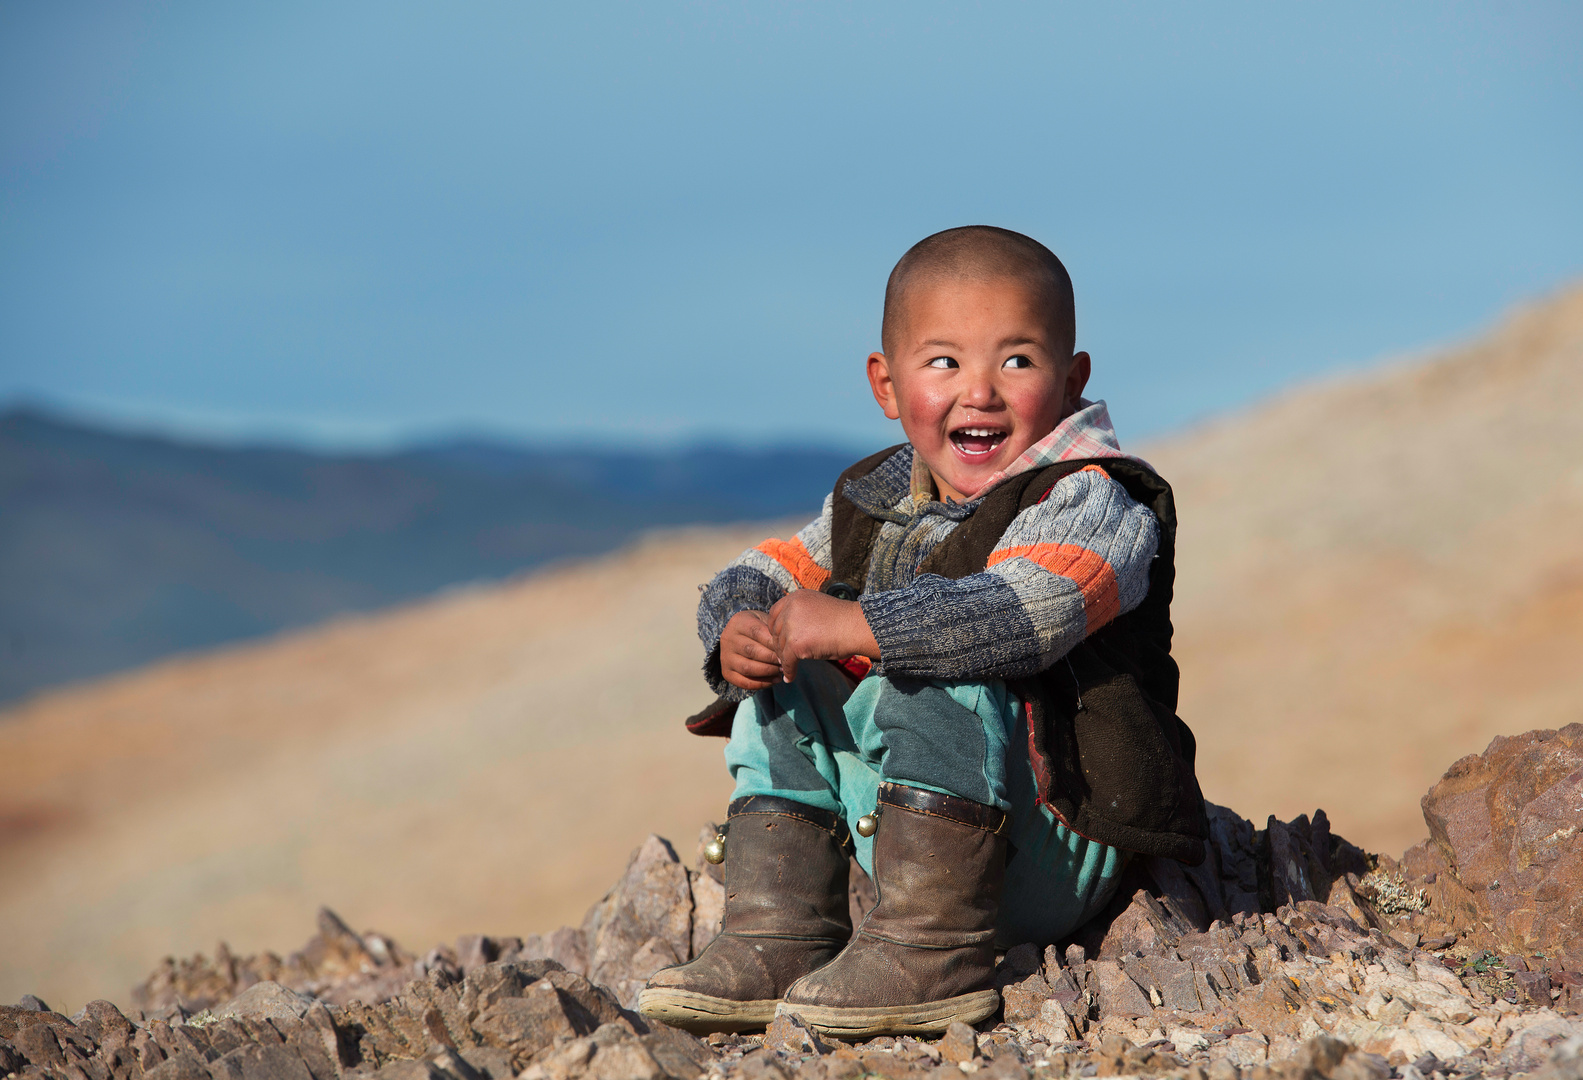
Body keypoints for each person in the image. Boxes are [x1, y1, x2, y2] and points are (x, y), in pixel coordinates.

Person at [638, 226, 1207, 1038]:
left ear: (1072, 376)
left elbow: (1023, 617)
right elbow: (762, 570)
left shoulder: (1090, 500)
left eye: (1017, 360)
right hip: (911, 838)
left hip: (1059, 826)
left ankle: (935, 957)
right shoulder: (877, 497)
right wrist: (737, 626)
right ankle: (780, 934)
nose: (979, 391)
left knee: (943, 660)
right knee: (779, 667)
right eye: (944, 362)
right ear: (886, 383)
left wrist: (853, 621)